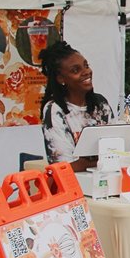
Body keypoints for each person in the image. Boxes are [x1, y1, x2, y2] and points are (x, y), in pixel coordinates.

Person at [39, 41, 114, 171]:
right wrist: (107, 160)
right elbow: (64, 167)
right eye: (75, 70)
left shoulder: (101, 103)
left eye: (86, 66)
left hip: (105, 179)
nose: (86, 72)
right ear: (61, 79)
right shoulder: (55, 110)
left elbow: (116, 147)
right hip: (74, 186)